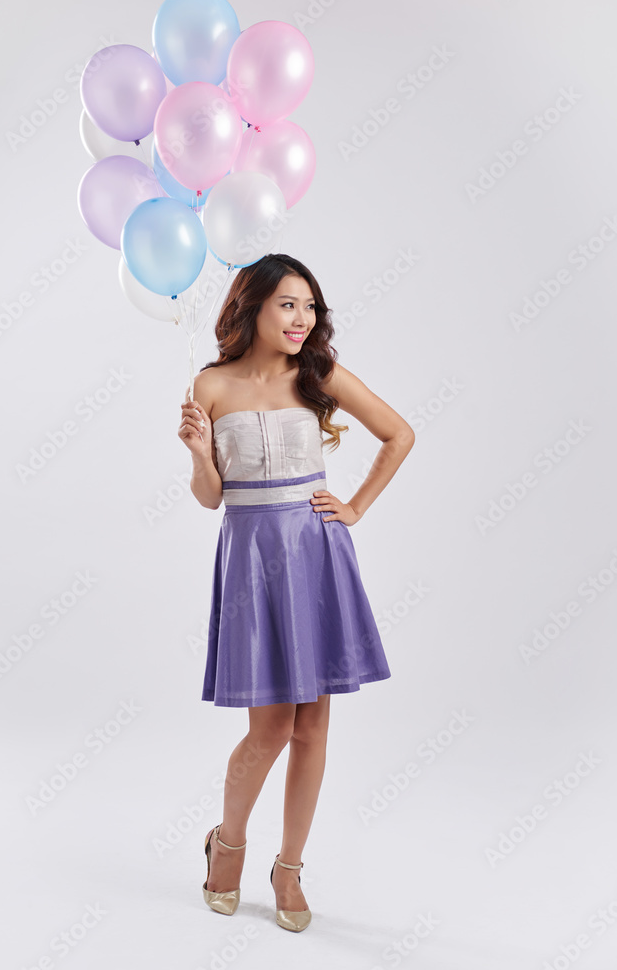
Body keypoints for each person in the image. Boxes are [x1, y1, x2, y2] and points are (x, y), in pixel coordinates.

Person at [178, 253, 415, 932]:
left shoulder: (319, 375)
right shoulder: (209, 384)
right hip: (252, 556)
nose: (301, 319)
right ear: (251, 306)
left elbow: (398, 433)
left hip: (315, 552)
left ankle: (289, 869)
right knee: (269, 727)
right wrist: (198, 455)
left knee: (311, 726)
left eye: (309, 306)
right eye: (287, 304)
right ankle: (226, 845)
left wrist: (357, 507)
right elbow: (210, 498)